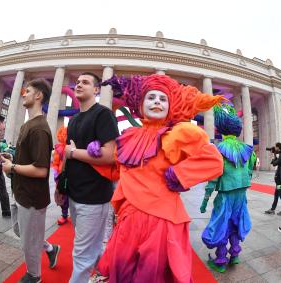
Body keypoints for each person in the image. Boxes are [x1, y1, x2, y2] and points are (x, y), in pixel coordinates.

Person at [95, 74, 225, 282]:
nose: (157, 101)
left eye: (163, 99)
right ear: (140, 104)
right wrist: (96, 155)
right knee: (123, 271)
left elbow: (214, 162)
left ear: (170, 105)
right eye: (151, 97)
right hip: (129, 219)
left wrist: (180, 175)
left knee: (152, 274)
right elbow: (117, 171)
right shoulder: (128, 136)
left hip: (161, 221)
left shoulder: (178, 134)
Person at [53, 72, 119, 283]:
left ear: (97, 89)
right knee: (92, 245)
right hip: (74, 194)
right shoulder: (74, 120)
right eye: (78, 82)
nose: (79, 85)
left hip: (94, 196)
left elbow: (110, 155)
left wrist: (74, 152)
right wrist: (60, 186)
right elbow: (66, 154)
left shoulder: (103, 115)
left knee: (81, 254)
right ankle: (110, 273)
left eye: (86, 82)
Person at [2, 78, 59, 283]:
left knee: (28, 243)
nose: (23, 94)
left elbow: (41, 170)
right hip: (20, 191)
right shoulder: (29, 124)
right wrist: (12, 160)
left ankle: (34, 276)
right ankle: (51, 248)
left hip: (33, 198)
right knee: (20, 231)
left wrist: (13, 167)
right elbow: (28, 158)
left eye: (28, 91)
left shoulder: (40, 129)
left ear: (38, 96)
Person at [200, 105, 256, 273]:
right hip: (241, 195)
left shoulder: (218, 150)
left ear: (220, 128)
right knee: (236, 222)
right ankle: (235, 255)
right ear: (237, 130)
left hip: (225, 195)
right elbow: (249, 172)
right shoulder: (247, 150)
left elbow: (212, 178)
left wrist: (204, 201)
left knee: (222, 224)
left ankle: (221, 260)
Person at [51, 126, 69, 225]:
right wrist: (56, 175)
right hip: (62, 177)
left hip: (73, 176)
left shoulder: (73, 147)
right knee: (63, 196)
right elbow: (55, 163)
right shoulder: (59, 149)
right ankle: (64, 214)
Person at [264, 142, 281, 215]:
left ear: (278, 148)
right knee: (277, 193)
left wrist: (274, 154)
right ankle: (273, 209)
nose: (275, 148)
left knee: (280, 193)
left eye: (275, 147)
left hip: (280, 179)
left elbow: (274, 163)